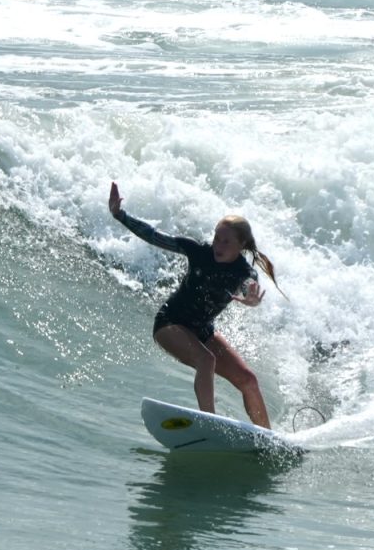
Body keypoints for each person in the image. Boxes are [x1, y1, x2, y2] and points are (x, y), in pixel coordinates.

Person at [108, 182, 283, 428]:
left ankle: (267, 438)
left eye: (226, 242)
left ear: (241, 245)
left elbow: (248, 288)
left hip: (203, 331)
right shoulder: (199, 251)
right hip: (169, 324)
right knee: (206, 360)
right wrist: (119, 215)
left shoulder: (244, 273)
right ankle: (211, 423)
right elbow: (154, 236)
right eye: (217, 238)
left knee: (248, 380)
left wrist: (251, 300)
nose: (218, 245)